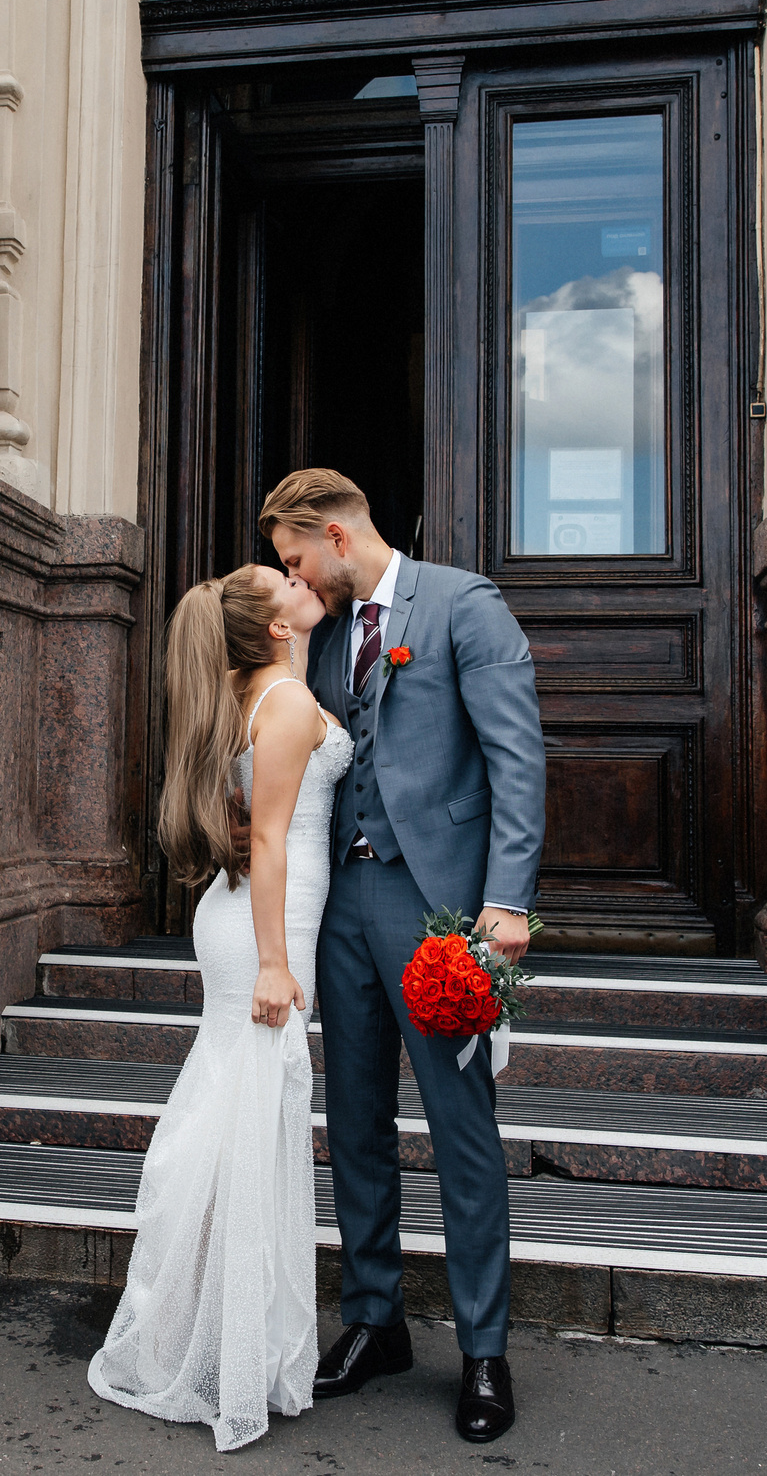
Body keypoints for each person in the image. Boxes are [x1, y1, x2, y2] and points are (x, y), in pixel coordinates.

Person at [264, 468, 544, 1447]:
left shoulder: (464, 603)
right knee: (354, 1119)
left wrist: (506, 902)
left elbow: (516, 757)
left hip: (437, 907)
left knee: (461, 1127)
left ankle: (484, 1349)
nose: (293, 578)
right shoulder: (327, 629)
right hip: (341, 902)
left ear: (337, 535)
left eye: (296, 559)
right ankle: (375, 1320)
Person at [90, 564, 349, 1450]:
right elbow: (269, 837)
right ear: (273, 628)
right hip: (264, 931)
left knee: (240, 1118)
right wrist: (276, 963)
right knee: (242, 1122)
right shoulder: (283, 702)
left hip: (256, 915)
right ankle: (209, 1345)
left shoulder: (258, 689)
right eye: (284, 580)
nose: (298, 575)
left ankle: (214, 1330)